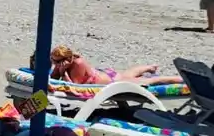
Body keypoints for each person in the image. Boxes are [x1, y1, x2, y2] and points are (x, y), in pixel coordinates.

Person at [49, 46, 180, 86]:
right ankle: (149, 67)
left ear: (65, 59)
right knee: (127, 74)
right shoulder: (63, 63)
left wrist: (63, 71)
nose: (54, 63)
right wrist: (59, 68)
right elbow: (53, 77)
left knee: (150, 81)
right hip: (106, 76)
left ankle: (181, 79)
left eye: (56, 61)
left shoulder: (78, 63)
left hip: (111, 82)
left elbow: (74, 85)